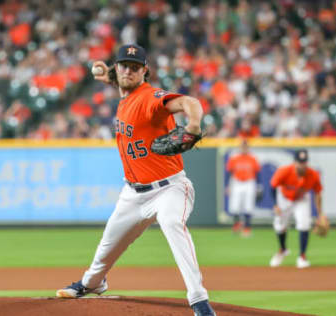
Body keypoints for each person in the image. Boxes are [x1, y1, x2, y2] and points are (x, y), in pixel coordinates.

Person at [56, 44, 216, 316]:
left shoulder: (150, 97)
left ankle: (199, 300)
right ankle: (92, 283)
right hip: (133, 193)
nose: (129, 70)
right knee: (107, 245)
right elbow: (110, 76)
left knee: (171, 223)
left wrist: (193, 125)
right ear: (117, 69)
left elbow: (190, 103)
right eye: (124, 66)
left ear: (145, 71)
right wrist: (100, 70)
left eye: (135, 67)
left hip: (170, 188)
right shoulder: (122, 87)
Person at [269, 149, 323, 269]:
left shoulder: (313, 174)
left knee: (304, 225)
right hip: (284, 199)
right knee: (279, 227)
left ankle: (302, 256)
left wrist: (320, 214)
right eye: (300, 162)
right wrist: (275, 205)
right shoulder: (284, 171)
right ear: (295, 162)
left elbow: (318, 193)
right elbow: (273, 186)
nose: (303, 165)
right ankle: (282, 250)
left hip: (301, 199)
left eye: (305, 162)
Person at [225, 138, 261, 237]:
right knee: (235, 206)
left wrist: (259, 186)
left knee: (248, 206)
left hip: (249, 182)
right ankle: (237, 225)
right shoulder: (234, 157)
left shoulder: (253, 158)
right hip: (237, 182)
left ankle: (247, 228)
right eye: (242, 146)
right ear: (240, 147)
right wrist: (227, 185)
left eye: (246, 146)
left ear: (248, 147)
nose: (244, 148)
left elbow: (257, 173)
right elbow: (229, 172)